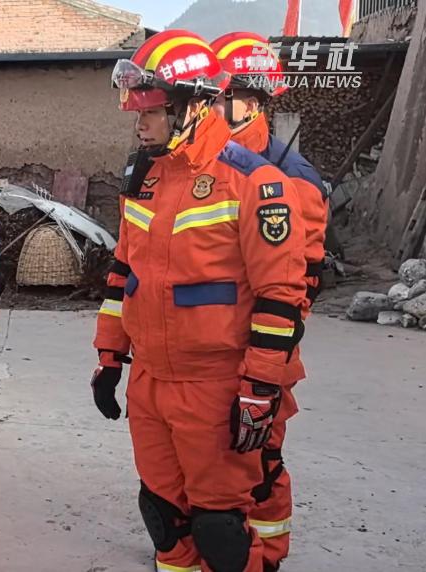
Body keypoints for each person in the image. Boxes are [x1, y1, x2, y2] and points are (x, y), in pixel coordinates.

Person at [90, 30, 309, 572]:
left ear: (193, 106)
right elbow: (125, 273)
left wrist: (260, 389)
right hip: (150, 381)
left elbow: (281, 297)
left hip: (215, 387)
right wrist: (110, 355)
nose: (139, 123)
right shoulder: (143, 177)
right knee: (164, 517)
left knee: (220, 531)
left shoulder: (255, 183)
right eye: (137, 110)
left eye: (151, 111)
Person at [208, 31, 330, 571]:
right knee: (211, 463)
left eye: (221, 96)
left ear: (253, 102)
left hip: (261, 348)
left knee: (259, 459)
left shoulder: (290, 179)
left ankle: (268, 554)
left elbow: (295, 288)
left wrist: (263, 368)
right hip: (209, 349)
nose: (208, 106)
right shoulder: (205, 163)